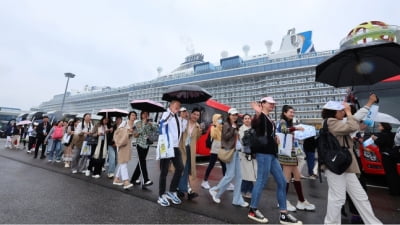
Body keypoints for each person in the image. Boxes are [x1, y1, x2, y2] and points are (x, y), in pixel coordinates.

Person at [321, 100, 382, 225]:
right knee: (338, 198)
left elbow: (355, 120)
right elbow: (353, 126)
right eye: (341, 110)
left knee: (360, 196)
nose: (343, 112)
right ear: (334, 112)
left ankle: (373, 223)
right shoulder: (330, 122)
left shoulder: (337, 122)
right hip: (336, 165)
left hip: (344, 165)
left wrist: (367, 105)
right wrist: (349, 112)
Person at [248, 96, 301, 225]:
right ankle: (253, 209)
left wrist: (275, 137)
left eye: (273, 103)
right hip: (264, 154)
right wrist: (257, 112)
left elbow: (265, 132)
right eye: (270, 103)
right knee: (261, 180)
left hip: (271, 154)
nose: (272, 105)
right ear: (262, 103)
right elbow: (255, 124)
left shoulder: (268, 119)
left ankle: (283, 214)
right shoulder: (260, 116)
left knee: (282, 181)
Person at [277, 105, 315, 212]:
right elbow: (284, 130)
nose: (292, 114)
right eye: (290, 112)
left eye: (293, 112)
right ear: (284, 113)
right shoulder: (282, 121)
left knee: (297, 176)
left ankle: (301, 201)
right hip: (287, 153)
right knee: (286, 178)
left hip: (291, 152)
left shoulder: (289, 123)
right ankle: (283, 201)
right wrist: (296, 128)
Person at [209, 108, 249, 207]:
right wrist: (233, 129)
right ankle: (215, 190)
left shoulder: (234, 125)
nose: (235, 116)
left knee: (239, 177)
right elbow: (225, 137)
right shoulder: (227, 124)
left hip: (236, 151)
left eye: (236, 114)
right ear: (229, 115)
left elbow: (236, 138)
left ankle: (237, 199)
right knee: (230, 175)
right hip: (229, 151)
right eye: (233, 115)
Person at [157, 100, 184, 207]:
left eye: (179, 105)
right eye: (176, 105)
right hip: (167, 146)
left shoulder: (177, 116)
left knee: (180, 168)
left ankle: (172, 191)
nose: (178, 107)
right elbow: (161, 123)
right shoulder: (166, 114)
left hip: (175, 147)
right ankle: (161, 195)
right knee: (164, 171)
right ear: (171, 105)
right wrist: (171, 113)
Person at [177, 108, 202, 200]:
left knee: (186, 169)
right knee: (182, 169)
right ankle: (185, 189)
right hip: (181, 148)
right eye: (194, 114)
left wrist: (200, 131)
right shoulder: (184, 122)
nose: (195, 116)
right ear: (191, 114)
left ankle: (182, 189)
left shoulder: (198, 126)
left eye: (197, 115)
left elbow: (197, 138)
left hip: (190, 150)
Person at [130, 111, 158, 186]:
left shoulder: (150, 122)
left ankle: (133, 179)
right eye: (144, 114)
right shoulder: (138, 123)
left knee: (140, 162)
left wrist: (151, 124)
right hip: (139, 144)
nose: (145, 115)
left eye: (147, 114)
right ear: (141, 115)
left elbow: (156, 129)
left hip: (147, 144)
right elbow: (137, 133)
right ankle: (146, 179)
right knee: (142, 162)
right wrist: (144, 124)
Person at [371, 122, 400, 195]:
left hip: (386, 155)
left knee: (389, 173)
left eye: (379, 125)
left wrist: (374, 139)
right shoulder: (391, 134)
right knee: (393, 173)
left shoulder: (383, 134)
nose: (378, 126)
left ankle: (394, 191)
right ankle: (396, 189)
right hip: (392, 154)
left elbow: (380, 143)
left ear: (383, 127)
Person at [201, 113, 227, 190]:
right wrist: (217, 126)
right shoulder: (213, 127)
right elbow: (214, 136)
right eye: (219, 118)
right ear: (215, 119)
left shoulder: (223, 127)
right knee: (211, 165)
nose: (220, 120)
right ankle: (204, 181)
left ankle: (226, 182)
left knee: (224, 166)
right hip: (215, 149)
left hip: (222, 149)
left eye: (221, 118)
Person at [113, 111, 136, 189]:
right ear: (129, 116)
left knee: (123, 162)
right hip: (122, 144)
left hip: (128, 145)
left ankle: (116, 179)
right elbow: (118, 132)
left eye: (135, 115)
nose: (134, 116)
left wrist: (134, 132)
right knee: (123, 163)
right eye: (132, 115)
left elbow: (135, 135)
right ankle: (126, 181)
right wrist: (128, 131)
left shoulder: (134, 125)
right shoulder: (124, 123)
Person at [238, 113, 257, 199]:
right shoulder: (241, 129)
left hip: (253, 154)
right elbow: (243, 141)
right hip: (245, 154)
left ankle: (245, 191)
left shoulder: (254, 128)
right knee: (247, 173)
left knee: (250, 174)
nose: (247, 120)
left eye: (248, 118)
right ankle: (246, 191)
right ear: (243, 120)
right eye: (245, 118)